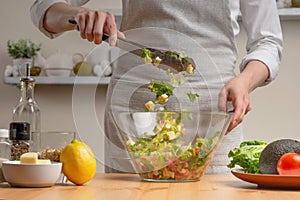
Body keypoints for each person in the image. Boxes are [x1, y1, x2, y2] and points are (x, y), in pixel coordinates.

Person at [30, 0, 282, 174]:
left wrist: (244, 81)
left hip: (213, 114)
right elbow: (44, 9)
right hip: (132, 114)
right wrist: (77, 15)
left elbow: (268, 41)